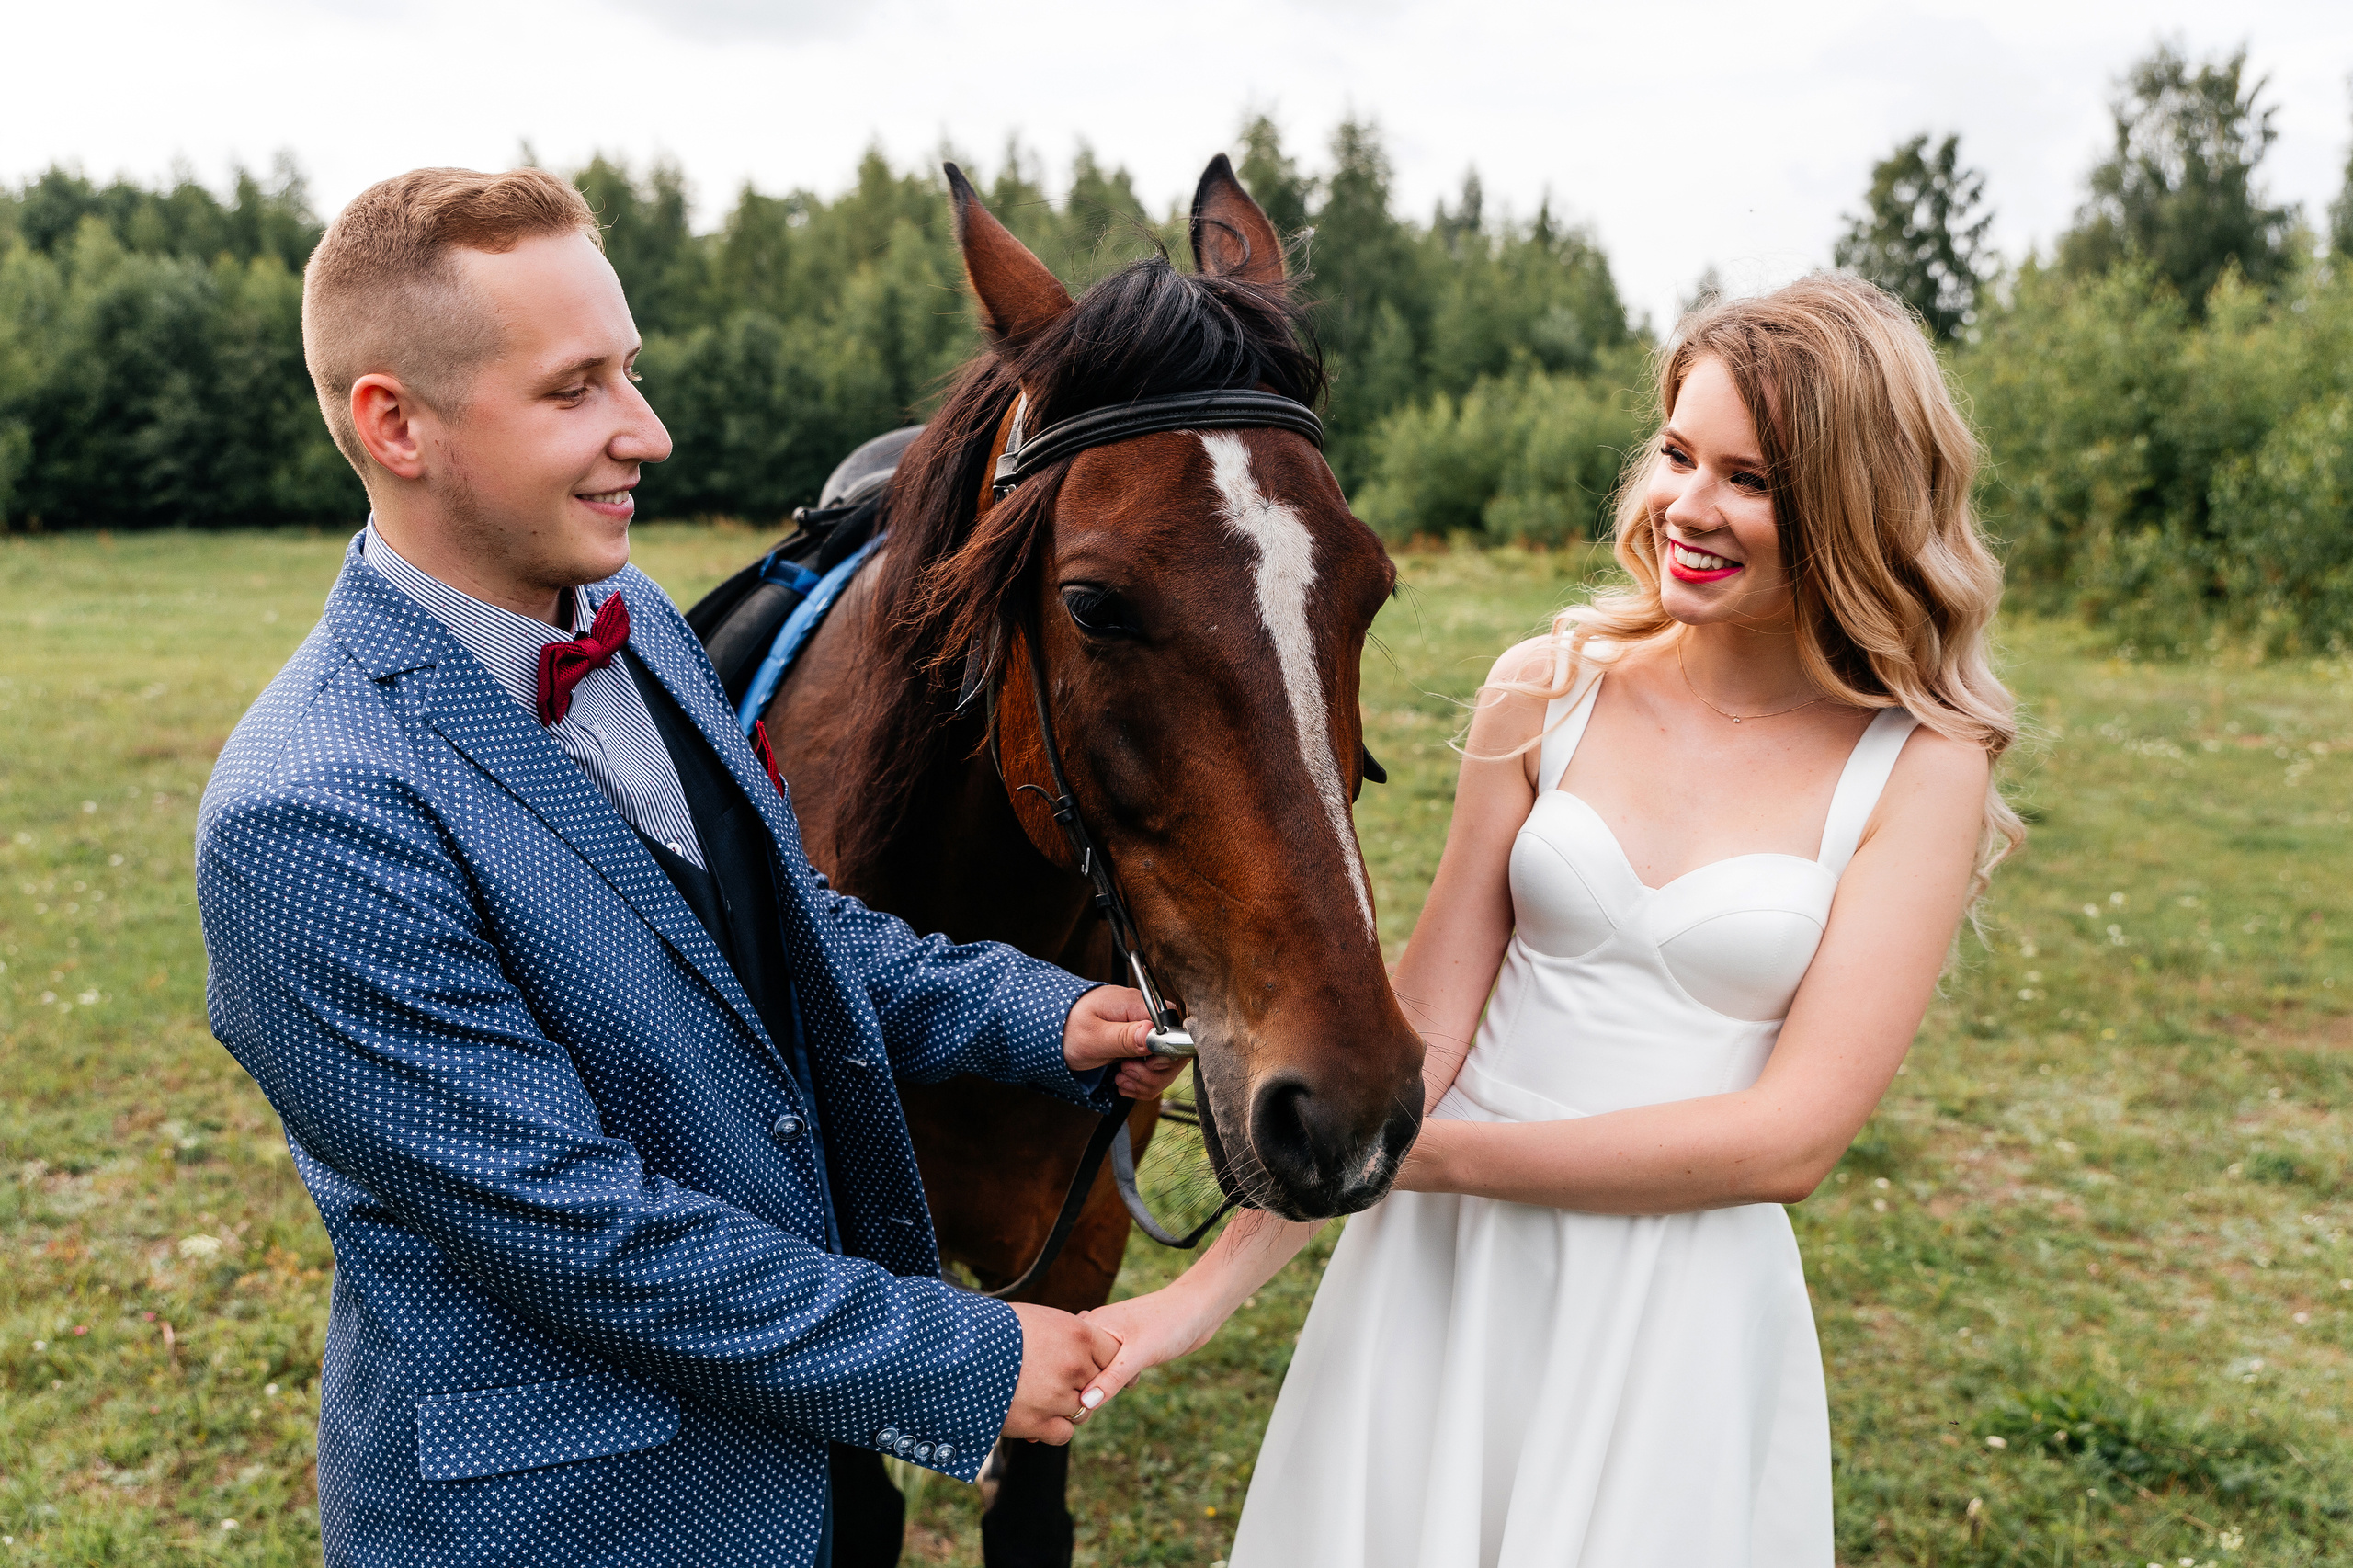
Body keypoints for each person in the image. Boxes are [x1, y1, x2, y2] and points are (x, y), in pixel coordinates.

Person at [194, 166, 1180, 1568]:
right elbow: (574, 1227)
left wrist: (1045, 1014)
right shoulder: (308, 814)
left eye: (632, 371)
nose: (646, 432)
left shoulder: (638, 618)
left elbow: (776, 927)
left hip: (803, 1462)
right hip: (577, 1520)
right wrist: (958, 1354)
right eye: (574, 388)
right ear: (395, 423)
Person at [1080, 274, 2022, 1565]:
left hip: (1670, 1313)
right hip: (1438, 1279)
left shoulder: (1921, 766)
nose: (1688, 506)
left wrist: (1431, 1162)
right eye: (1679, 454)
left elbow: (1789, 1140)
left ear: (1852, 505)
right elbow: (1426, 1028)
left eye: (1750, 479)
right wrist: (1190, 1302)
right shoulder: (1549, 685)